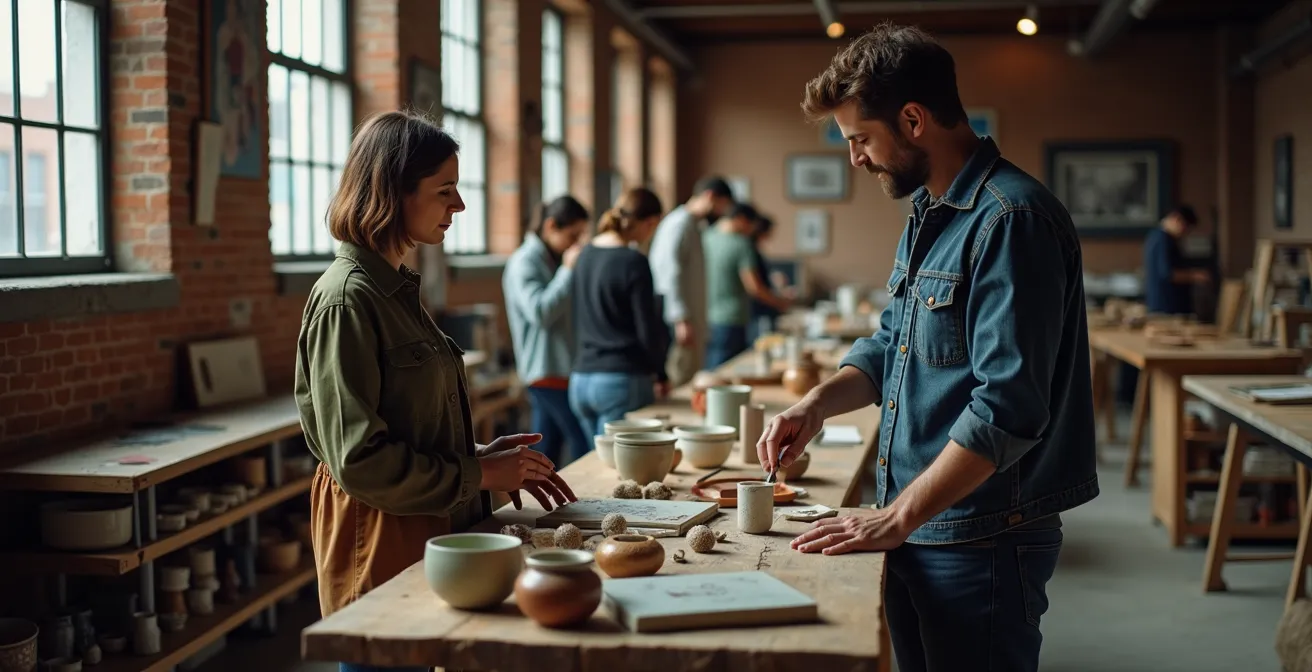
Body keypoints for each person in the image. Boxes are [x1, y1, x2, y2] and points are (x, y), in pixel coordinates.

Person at [758, 24, 1098, 672]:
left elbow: (1008, 407)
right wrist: (814, 405)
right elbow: (894, 343)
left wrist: (895, 518)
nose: (854, 158)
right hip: (921, 522)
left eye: (859, 139)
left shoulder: (1011, 220)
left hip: (982, 536)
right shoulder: (930, 213)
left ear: (913, 120)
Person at [295, 111, 577, 672]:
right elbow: (360, 461)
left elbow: (400, 425)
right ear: (391, 193)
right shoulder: (348, 300)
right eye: (445, 191)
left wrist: (476, 457)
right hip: (379, 539)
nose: (460, 206)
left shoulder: (393, 289)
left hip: (422, 525)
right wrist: (477, 477)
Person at [569, 187, 671, 440]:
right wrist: (661, 372)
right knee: (617, 474)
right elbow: (647, 327)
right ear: (650, 222)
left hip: (580, 379)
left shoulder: (584, 255)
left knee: (593, 470)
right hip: (620, 381)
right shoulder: (633, 260)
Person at [503, 196, 591, 466]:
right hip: (545, 370)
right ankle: (591, 504)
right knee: (582, 443)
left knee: (546, 451)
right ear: (551, 225)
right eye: (572, 235)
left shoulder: (548, 258)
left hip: (559, 368)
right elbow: (540, 312)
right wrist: (567, 270)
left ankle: (540, 505)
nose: (575, 244)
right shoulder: (524, 262)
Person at [647, 176, 736, 386]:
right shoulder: (678, 224)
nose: (722, 213)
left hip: (689, 317)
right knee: (680, 378)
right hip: (679, 321)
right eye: (722, 206)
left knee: (689, 375)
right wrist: (680, 318)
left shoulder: (693, 225)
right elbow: (669, 274)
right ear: (710, 197)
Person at [702, 203, 792, 368]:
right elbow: (754, 288)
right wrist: (781, 302)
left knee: (711, 368)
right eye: (751, 226)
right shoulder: (741, 244)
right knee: (729, 370)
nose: (751, 231)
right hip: (733, 317)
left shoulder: (707, 237)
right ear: (742, 220)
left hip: (707, 315)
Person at [1143, 205, 1208, 316]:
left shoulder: (1155, 236)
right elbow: (1168, 273)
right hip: (1167, 306)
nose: (1185, 233)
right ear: (1177, 219)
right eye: (1186, 228)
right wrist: (1195, 276)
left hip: (1161, 305)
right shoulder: (1163, 240)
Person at [746, 215, 790, 344]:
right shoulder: (749, 251)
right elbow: (755, 288)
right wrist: (778, 302)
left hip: (764, 309)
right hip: (759, 311)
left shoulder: (755, 251)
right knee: (763, 345)